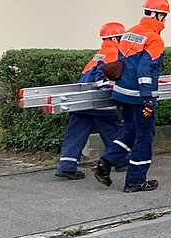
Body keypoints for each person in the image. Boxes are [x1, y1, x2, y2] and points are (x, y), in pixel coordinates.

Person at [94, 0, 169, 193]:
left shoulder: (130, 32)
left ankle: (105, 162)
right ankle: (135, 181)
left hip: (122, 93)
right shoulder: (154, 39)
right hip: (138, 97)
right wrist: (148, 99)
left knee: (130, 130)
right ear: (159, 16)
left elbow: (122, 62)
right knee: (144, 136)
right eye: (165, 16)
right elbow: (145, 70)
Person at [53, 21, 126, 180]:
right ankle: (121, 161)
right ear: (115, 38)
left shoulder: (99, 54)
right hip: (99, 102)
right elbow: (102, 80)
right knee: (113, 130)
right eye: (121, 37)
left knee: (75, 134)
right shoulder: (114, 53)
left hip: (81, 101)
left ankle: (67, 166)